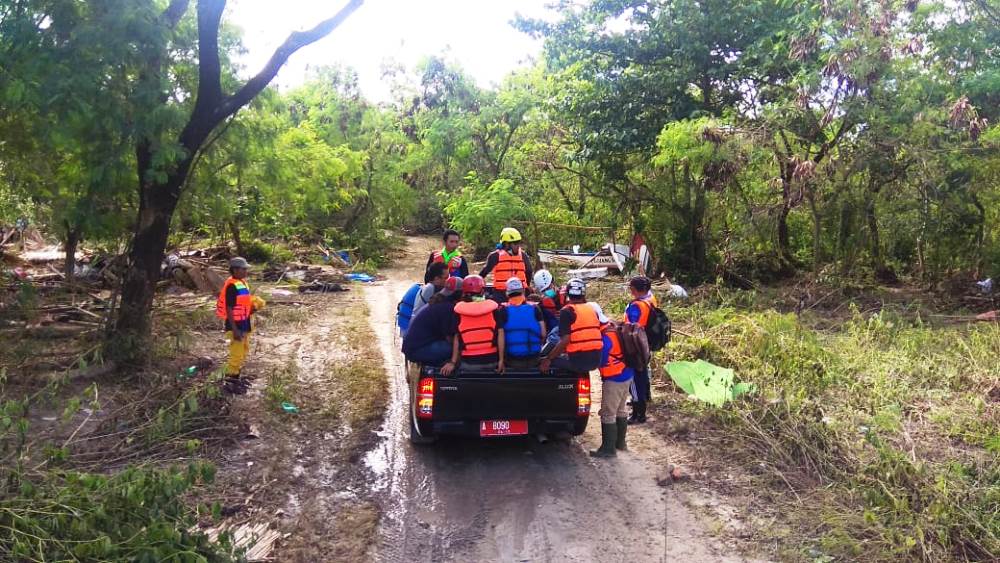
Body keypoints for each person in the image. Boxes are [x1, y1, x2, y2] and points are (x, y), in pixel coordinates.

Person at [215, 257, 263, 394]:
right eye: (243, 269)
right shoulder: (231, 286)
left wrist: (253, 307)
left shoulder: (242, 283)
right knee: (236, 354)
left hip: (244, 323)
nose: (246, 271)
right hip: (235, 325)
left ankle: (236, 378)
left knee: (243, 352)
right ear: (235, 270)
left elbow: (243, 303)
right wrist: (234, 329)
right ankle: (230, 382)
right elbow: (229, 308)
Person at [591, 317, 635, 458]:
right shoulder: (615, 328)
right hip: (627, 374)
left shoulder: (605, 338)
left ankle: (608, 449)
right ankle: (620, 444)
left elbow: (601, 360)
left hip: (614, 378)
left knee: (608, 413)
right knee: (620, 409)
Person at [539, 278, 603, 374]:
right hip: (596, 360)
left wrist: (548, 359)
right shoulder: (592, 309)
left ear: (567, 293)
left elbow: (565, 340)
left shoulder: (567, 311)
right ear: (583, 294)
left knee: (545, 360)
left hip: (578, 362)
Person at [442, 275, 501, 376]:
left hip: (469, 363)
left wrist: (452, 362)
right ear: (482, 291)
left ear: (464, 292)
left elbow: (456, 338)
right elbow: (501, 335)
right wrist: (501, 360)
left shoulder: (458, 311)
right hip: (492, 362)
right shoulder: (493, 309)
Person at [402, 277, 463, 365]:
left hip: (412, 346)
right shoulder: (447, 308)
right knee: (454, 348)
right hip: (417, 350)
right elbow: (450, 338)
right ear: (459, 294)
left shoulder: (438, 302)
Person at [625, 275, 658, 424]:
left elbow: (631, 326)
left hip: (635, 344)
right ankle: (644, 399)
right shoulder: (651, 299)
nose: (630, 291)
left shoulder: (637, 306)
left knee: (634, 378)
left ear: (638, 290)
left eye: (631, 288)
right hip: (646, 343)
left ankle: (638, 413)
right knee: (643, 374)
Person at [495, 278, 545, 370]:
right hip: (534, 359)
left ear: (507, 293)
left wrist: (501, 360)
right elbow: (543, 334)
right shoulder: (535, 308)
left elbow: (500, 338)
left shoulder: (502, 310)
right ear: (523, 291)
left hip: (512, 360)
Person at [479, 227, 532, 303]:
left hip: (519, 293)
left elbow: (529, 271)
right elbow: (484, 272)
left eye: (519, 243)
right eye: (515, 243)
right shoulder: (495, 256)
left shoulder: (523, 255)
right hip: (501, 293)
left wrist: (527, 286)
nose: (518, 246)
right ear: (506, 244)